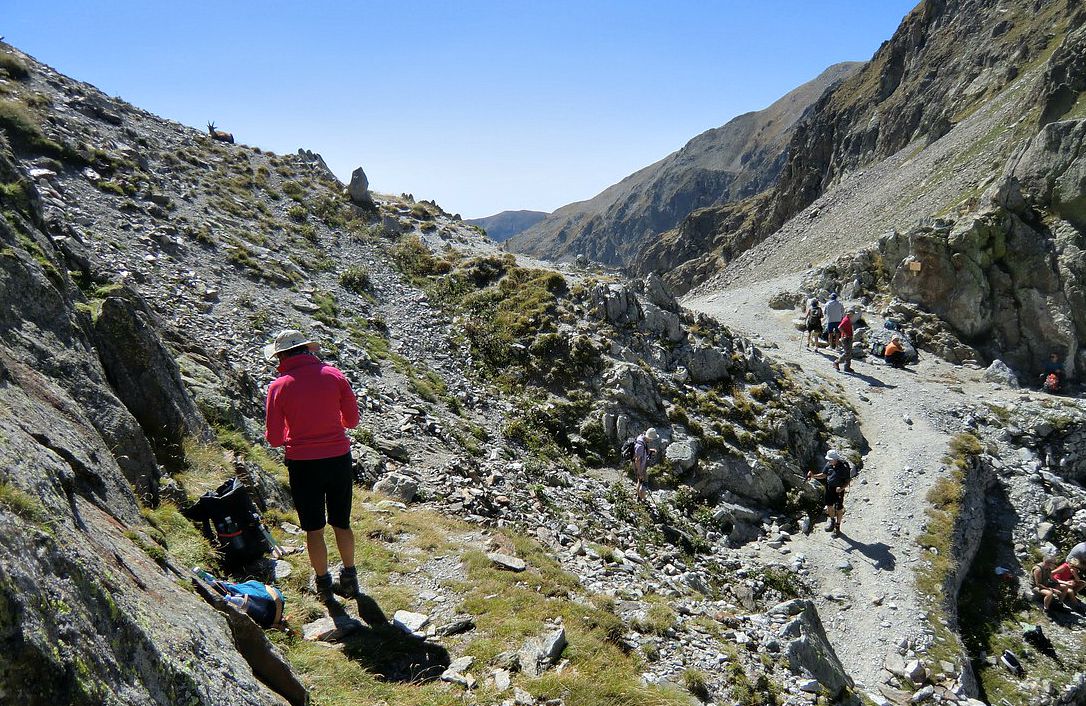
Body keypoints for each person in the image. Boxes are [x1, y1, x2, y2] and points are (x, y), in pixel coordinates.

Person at [264, 329, 360, 602]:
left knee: (313, 528)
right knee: (341, 521)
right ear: (308, 350)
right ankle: (351, 579)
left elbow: (274, 439)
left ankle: (323, 585)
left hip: (303, 463)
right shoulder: (334, 376)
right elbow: (352, 421)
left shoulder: (278, 386)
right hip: (338, 458)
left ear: (281, 355)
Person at [807, 449, 851, 537]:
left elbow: (848, 481)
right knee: (829, 506)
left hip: (838, 490)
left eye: (831, 460)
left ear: (836, 459)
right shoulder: (829, 465)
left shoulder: (844, 468)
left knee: (839, 509)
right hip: (829, 488)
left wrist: (841, 488)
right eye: (828, 459)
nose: (829, 461)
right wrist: (813, 476)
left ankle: (837, 527)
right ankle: (832, 521)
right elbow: (824, 475)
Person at [633, 427, 659, 502]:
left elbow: (642, 451)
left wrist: (650, 450)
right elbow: (637, 460)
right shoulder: (640, 445)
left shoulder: (642, 438)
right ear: (649, 437)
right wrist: (640, 472)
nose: (652, 440)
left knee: (639, 481)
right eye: (652, 439)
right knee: (644, 483)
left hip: (640, 466)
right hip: (640, 467)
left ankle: (638, 496)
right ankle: (642, 499)